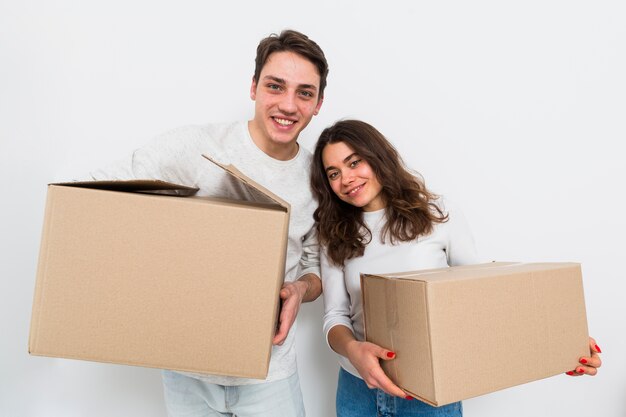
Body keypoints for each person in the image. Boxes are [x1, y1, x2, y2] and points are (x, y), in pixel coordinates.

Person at [87, 29, 328, 417]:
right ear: (253, 87)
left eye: (304, 92)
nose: (287, 104)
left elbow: (316, 263)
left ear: (318, 104)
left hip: (269, 370)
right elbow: (106, 189)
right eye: (275, 86)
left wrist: (300, 288)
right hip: (186, 367)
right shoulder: (197, 147)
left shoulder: (319, 177)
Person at [309, 119, 602, 417]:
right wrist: (354, 352)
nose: (346, 178)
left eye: (354, 162)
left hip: (429, 392)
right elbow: (335, 316)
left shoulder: (436, 213)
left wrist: (563, 340)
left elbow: (483, 293)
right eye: (334, 173)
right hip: (358, 391)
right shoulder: (332, 232)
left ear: (377, 157)